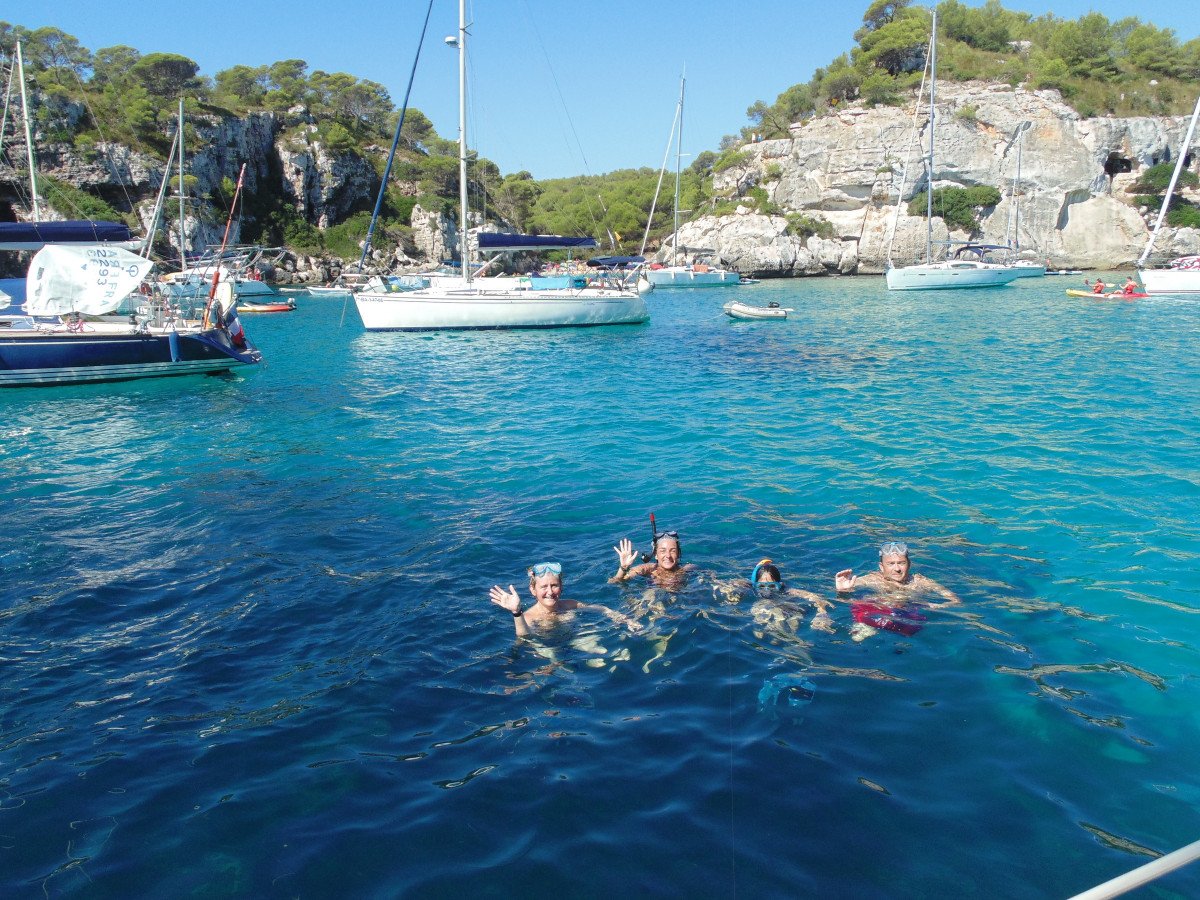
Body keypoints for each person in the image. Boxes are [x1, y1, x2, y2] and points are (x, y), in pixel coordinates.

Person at [834, 541, 960, 642]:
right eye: (891, 564)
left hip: (907, 616)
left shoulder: (921, 582)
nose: (897, 569)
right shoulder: (872, 579)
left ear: (909, 564)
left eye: (901, 563)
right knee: (857, 636)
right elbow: (843, 598)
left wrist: (935, 606)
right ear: (881, 567)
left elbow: (955, 601)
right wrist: (843, 590)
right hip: (877, 612)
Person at [489, 562, 639, 637]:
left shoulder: (569, 604)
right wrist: (516, 612)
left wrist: (624, 619)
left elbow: (601, 608)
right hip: (548, 650)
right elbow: (524, 637)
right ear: (533, 590)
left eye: (554, 585)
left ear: (561, 587)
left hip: (576, 639)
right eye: (543, 587)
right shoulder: (528, 616)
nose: (549, 592)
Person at [744, 558, 835, 634]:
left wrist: (822, 613)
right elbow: (734, 583)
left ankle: (790, 639)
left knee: (793, 619)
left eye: (772, 586)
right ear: (755, 584)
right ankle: (776, 633)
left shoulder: (787, 590)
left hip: (786, 607)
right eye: (761, 586)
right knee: (760, 611)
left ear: (780, 584)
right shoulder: (750, 586)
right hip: (766, 607)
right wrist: (730, 590)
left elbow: (816, 597)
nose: (767, 590)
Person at [611, 531, 693, 589]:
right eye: (662, 551)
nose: (668, 555)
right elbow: (613, 582)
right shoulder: (648, 569)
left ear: (678, 554)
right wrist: (623, 568)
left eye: (673, 551)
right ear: (656, 555)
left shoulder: (686, 568)